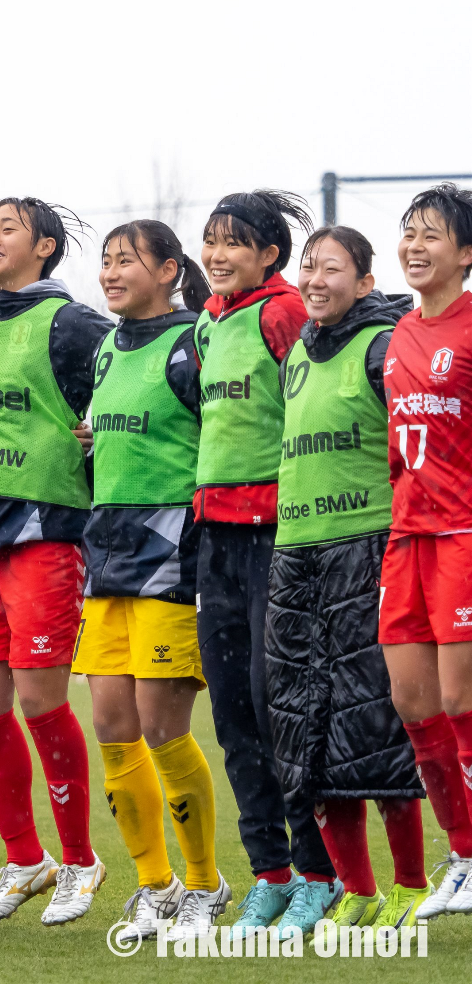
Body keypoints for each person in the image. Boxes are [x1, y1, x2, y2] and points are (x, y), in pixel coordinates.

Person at [0, 197, 111, 926]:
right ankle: (24, 860)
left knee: (41, 703)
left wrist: (97, 431)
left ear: (43, 247)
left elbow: (129, 379)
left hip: (44, 533)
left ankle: (81, 860)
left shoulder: (74, 323)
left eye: (6, 228)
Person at [265, 227, 426, 929]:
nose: (315, 278)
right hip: (294, 552)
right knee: (304, 734)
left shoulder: (383, 348)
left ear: (364, 283)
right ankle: (355, 892)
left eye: (332, 268)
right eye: (310, 266)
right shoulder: (296, 352)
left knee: (376, 730)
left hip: (365, 548)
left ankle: (412, 886)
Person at [75, 222, 228, 943]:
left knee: (164, 726)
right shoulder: (108, 346)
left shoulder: (194, 339)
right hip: (106, 553)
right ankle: (153, 884)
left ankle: (205, 884)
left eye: (125, 260)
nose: (109, 272)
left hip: (172, 551)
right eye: (104, 260)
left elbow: (220, 431)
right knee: (111, 725)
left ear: (170, 270)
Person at [193, 190, 339, 932]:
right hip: (213, 538)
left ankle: (319, 872)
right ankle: (269, 873)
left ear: (269, 256)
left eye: (234, 244)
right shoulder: (208, 323)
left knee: (279, 707)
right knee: (232, 714)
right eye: (210, 241)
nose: (217, 255)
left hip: (276, 539)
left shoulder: (281, 312)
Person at [378, 183, 472, 919]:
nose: (414, 245)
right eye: (408, 232)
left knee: (459, 698)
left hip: (463, 536)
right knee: (413, 703)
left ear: (466, 254)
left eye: (431, 234)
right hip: (406, 536)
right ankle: (464, 855)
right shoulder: (400, 332)